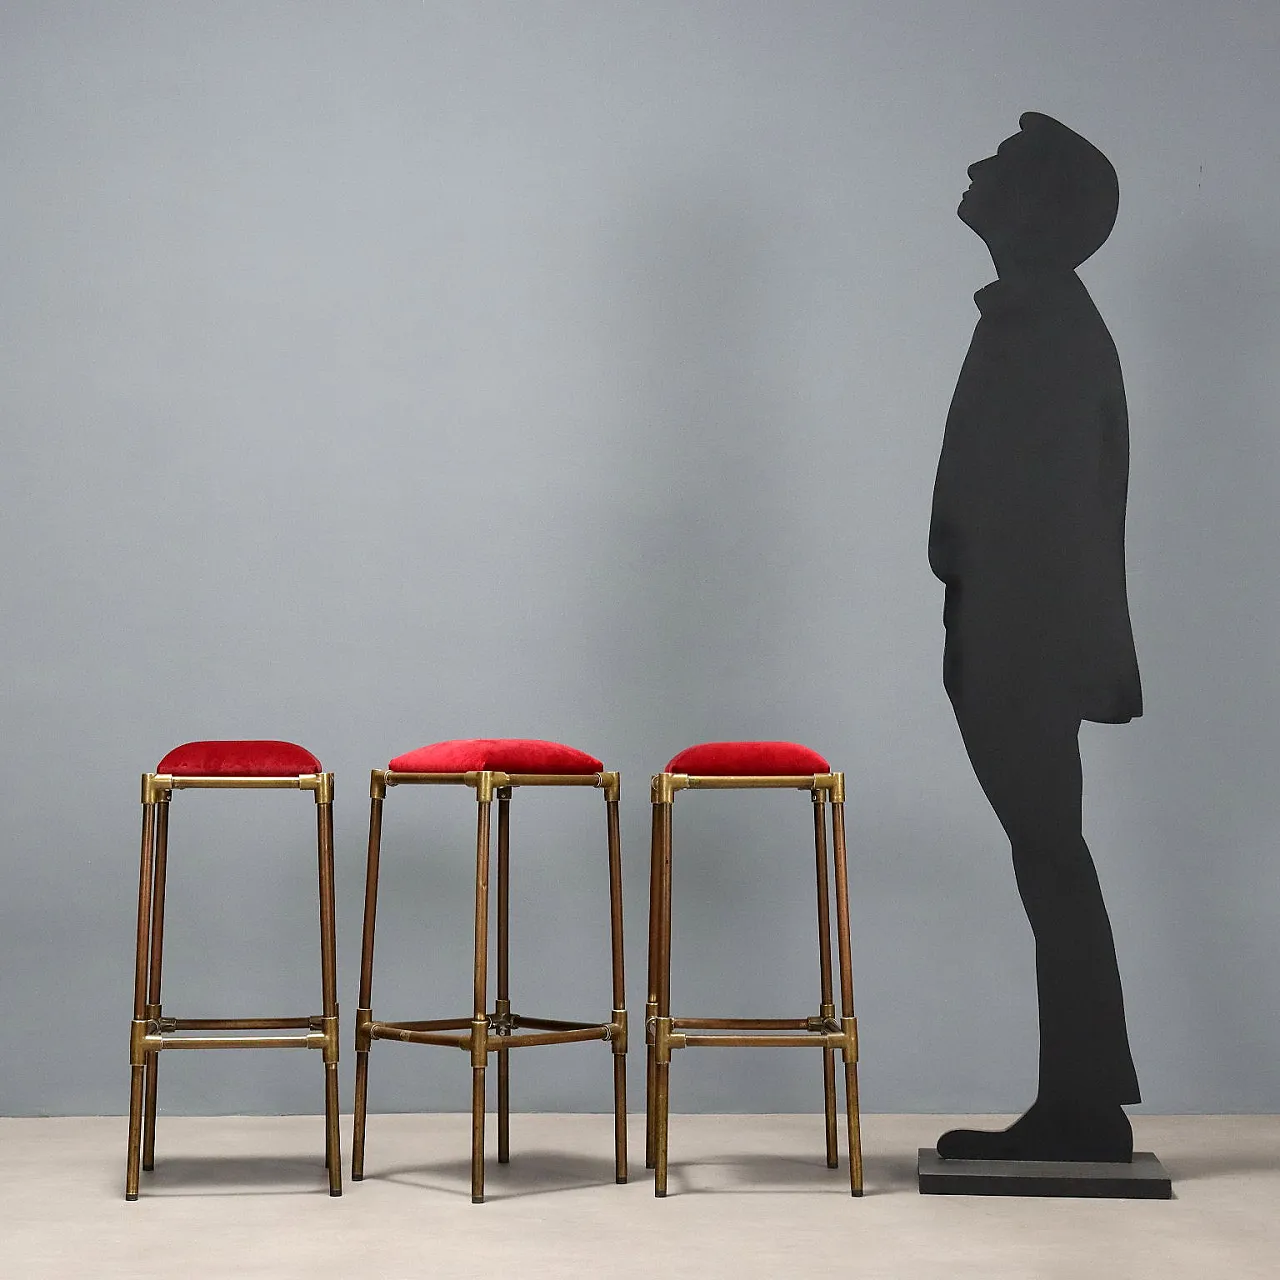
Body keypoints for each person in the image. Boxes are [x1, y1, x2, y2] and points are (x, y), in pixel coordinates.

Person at [928, 112, 1142, 1162]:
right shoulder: (1039, 316)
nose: (974, 168)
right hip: (1013, 630)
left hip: (1022, 636)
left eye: (1001, 166)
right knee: (1049, 852)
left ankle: (1084, 1102)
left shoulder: (1044, 324)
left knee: (1049, 852)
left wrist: (1002, 624)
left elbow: (1052, 509)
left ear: (1040, 208)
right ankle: (1082, 1096)